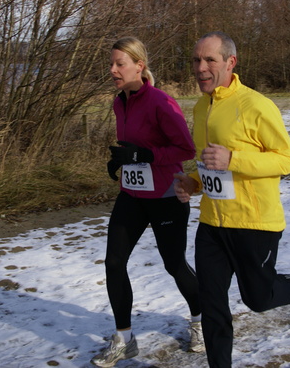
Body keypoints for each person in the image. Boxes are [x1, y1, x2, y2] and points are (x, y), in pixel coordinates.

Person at [173, 31, 290, 368]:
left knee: (258, 298)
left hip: (254, 223)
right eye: (196, 60)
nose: (200, 67)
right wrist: (193, 182)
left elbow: (287, 160)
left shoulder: (256, 105)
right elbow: (209, 161)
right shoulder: (200, 106)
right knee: (212, 305)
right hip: (212, 224)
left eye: (209, 59)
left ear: (230, 62)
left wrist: (234, 160)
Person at [91, 37, 203, 367]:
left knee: (174, 264)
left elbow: (186, 150)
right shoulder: (118, 102)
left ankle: (200, 320)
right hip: (132, 195)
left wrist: (146, 154)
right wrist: (121, 161)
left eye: (119, 64)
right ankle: (124, 338)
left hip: (167, 196)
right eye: (111, 64)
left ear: (139, 66)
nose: (112, 70)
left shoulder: (161, 102)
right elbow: (131, 146)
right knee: (113, 263)